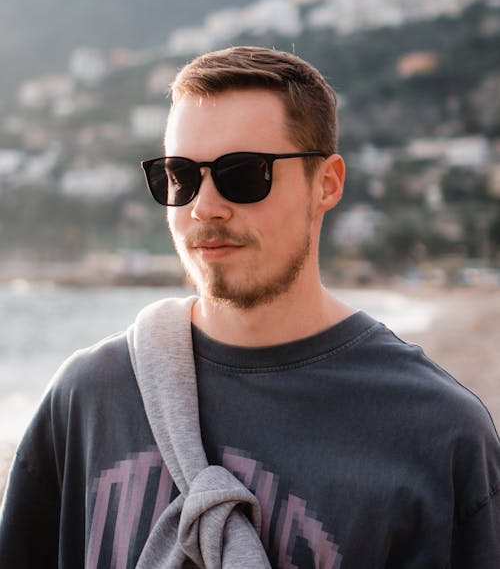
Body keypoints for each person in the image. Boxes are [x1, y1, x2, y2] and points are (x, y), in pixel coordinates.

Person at [1, 46, 499, 568]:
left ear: (327, 184)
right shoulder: (87, 399)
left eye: (242, 174)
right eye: (180, 175)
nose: (205, 206)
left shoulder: (439, 435)